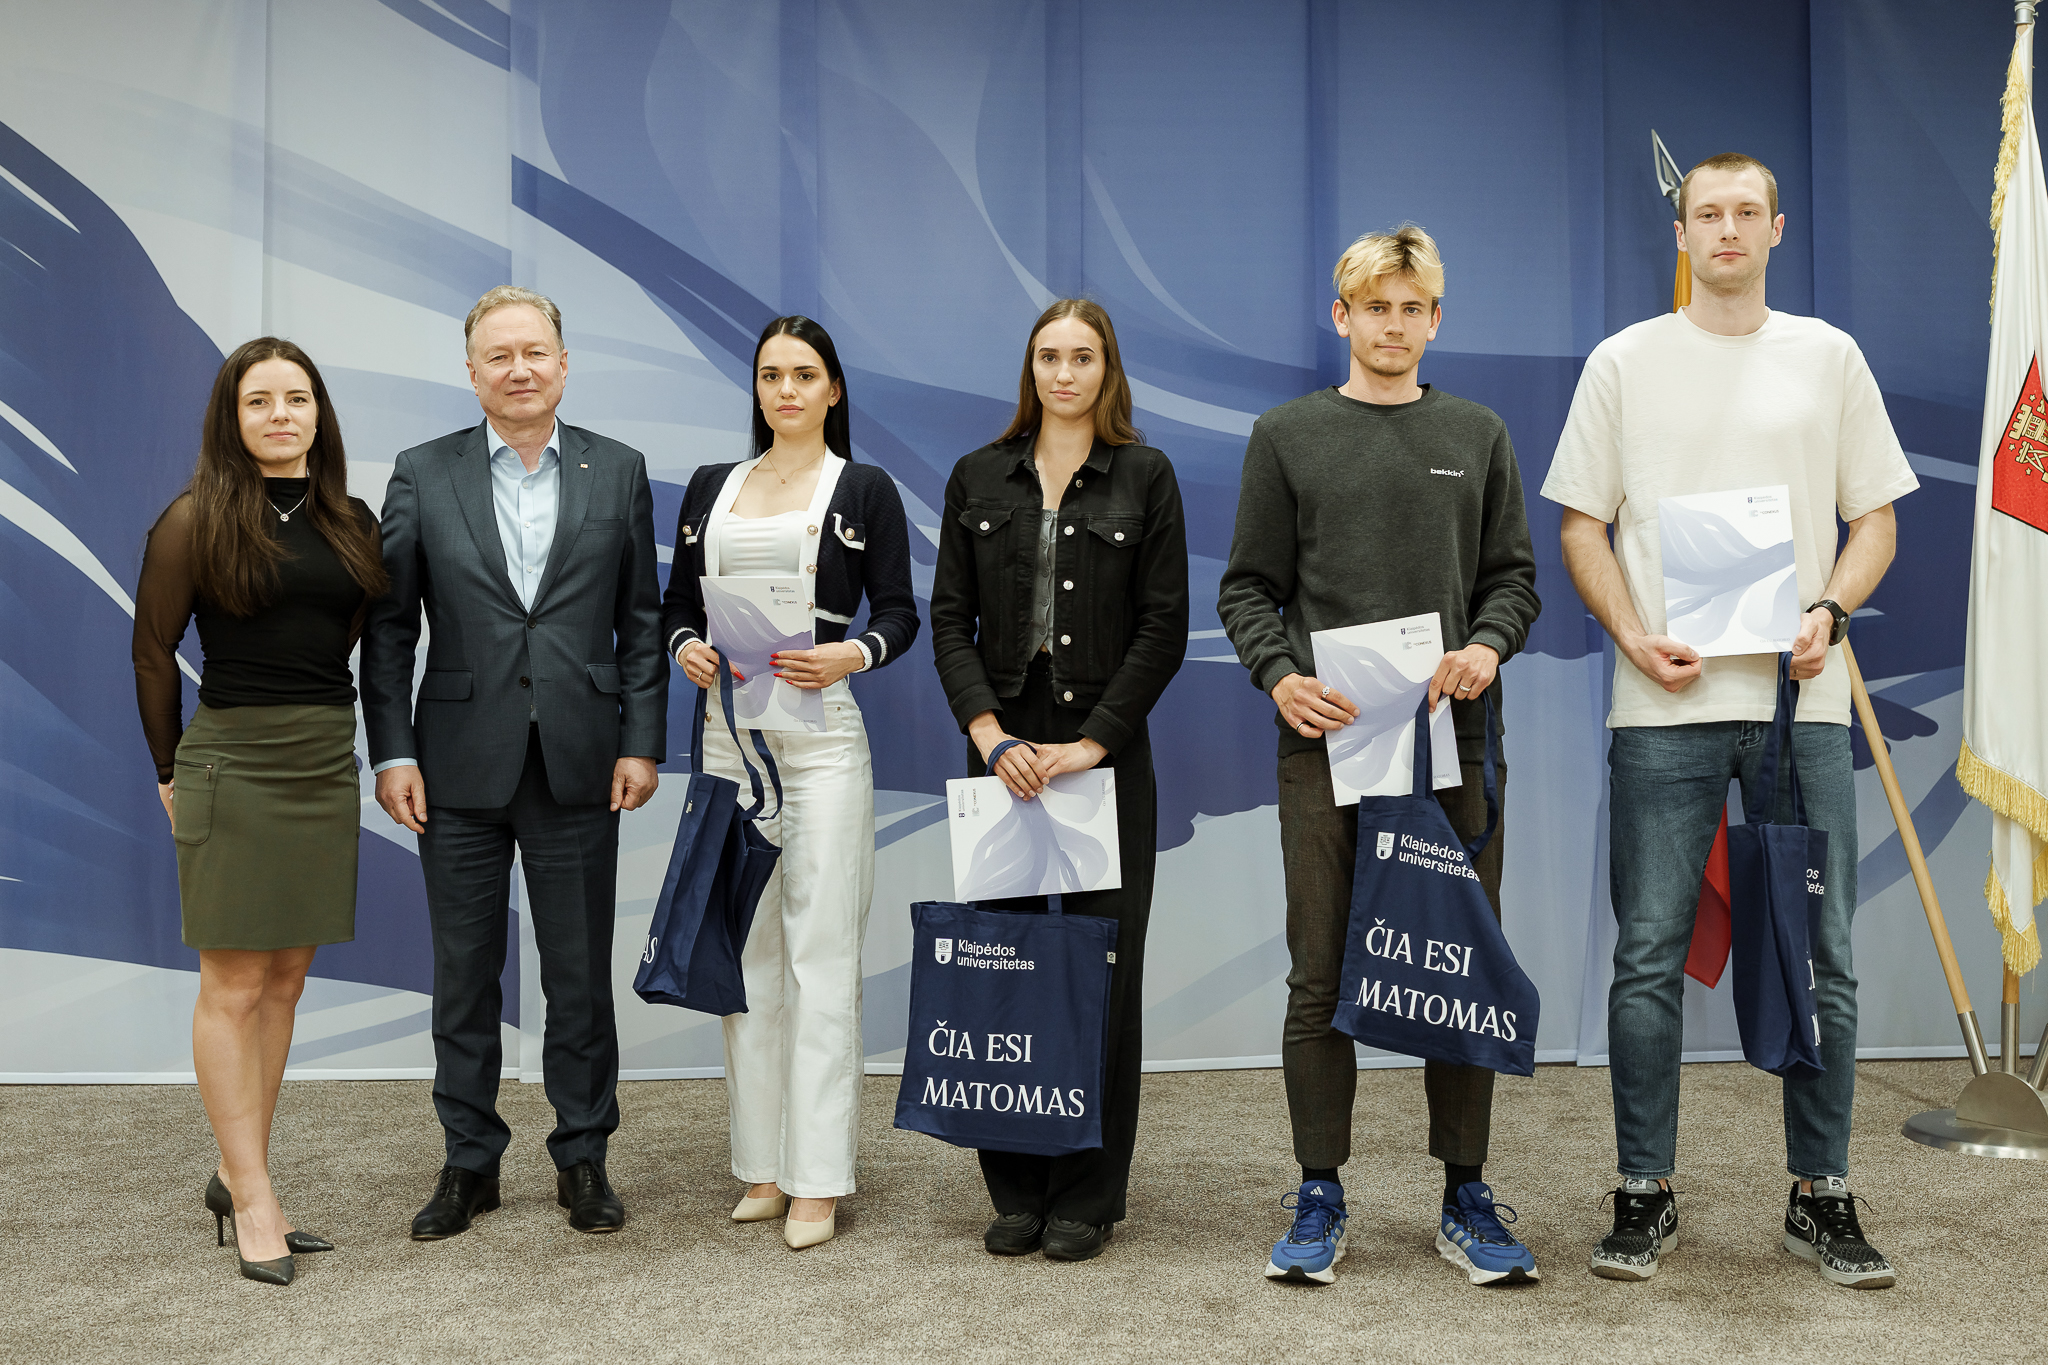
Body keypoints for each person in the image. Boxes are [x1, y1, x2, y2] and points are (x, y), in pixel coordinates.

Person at [1544, 154, 1917, 1289]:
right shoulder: (1623, 361)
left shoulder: (1827, 356)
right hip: (1663, 706)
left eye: (1745, 212)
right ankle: (1642, 1190)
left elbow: (1874, 519)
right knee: (1647, 954)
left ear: (1775, 229)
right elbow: (1580, 525)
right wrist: (1629, 636)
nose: (1725, 230)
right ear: (1681, 231)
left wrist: (1828, 609)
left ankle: (1821, 1192)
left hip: (1800, 706)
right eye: (1706, 213)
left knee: (1824, 955)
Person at [1218, 225, 1543, 1287]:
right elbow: (1246, 588)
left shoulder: (1478, 433)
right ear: (1341, 316)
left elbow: (1512, 580)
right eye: (1374, 308)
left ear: (1434, 320)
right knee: (1319, 972)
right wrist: (1279, 675)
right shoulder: (1287, 435)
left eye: (1411, 309)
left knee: (1457, 967)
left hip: (1455, 746)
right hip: (1326, 746)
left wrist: (1486, 647)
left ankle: (1465, 1195)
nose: (1392, 326)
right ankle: (1319, 1190)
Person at [361, 286, 668, 1240]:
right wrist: (393, 751)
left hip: (582, 758)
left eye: (535, 352)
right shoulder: (422, 472)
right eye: (499, 355)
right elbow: (388, 629)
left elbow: (642, 624)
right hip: (454, 763)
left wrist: (641, 739)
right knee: (464, 976)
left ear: (563, 364)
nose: (519, 369)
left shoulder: (619, 470)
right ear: (472, 372)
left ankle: (583, 1154)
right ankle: (469, 1160)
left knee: (577, 974)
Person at [930, 298, 1188, 1263]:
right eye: (1049, 356)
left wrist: (1094, 743)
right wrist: (988, 732)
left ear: (1107, 369)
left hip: (1102, 750)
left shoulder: (1146, 476)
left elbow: (1164, 624)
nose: (1065, 373)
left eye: (1083, 357)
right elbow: (948, 617)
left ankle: (1086, 1193)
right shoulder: (977, 474)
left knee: (1100, 970)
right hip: (1000, 746)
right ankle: (1015, 1187)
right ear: (1029, 367)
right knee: (1001, 966)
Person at [133, 338, 388, 1285]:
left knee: (285, 980)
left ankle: (240, 1168)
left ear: (319, 413)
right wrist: (169, 767)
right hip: (231, 761)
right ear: (231, 419)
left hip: (322, 760)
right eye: (259, 401)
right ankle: (253, 1197)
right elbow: (152, 650)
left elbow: (349, 639)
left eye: (298, 398)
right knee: (234, 983)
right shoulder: (192, 519)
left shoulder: (352, 520)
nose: (281, 415)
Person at [661, 315, 918, 1250]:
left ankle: (818, 1179)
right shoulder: (711, 488)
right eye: (771, 375)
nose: (786, 390)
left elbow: (901, 612)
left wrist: (854, 651)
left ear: (833, 389)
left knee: (821, 955)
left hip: (821, 744)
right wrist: (686, 647)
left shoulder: (864, 489)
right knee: (748, 962)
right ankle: (764, 1168)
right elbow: (676, 604)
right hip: (729, 741)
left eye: (804, 375)